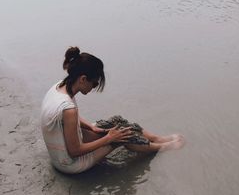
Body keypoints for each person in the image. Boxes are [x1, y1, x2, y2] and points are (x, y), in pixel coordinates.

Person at [40, 47, 184, 174]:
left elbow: (67, 120)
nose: (94, 87)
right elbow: (75, 151)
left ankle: (157, 138)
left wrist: (91, 127)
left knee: (117, 121)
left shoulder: (60, 86)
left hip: (62, 146)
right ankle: (162, 147)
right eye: (95, 83)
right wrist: (109, 139)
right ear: (83, 79)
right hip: (69, 163)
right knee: (121, 136)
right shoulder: (68, 109)